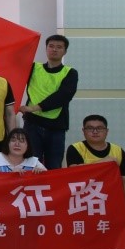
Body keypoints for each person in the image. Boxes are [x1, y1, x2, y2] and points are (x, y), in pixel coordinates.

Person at [67, 114, 125, 224]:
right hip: (83, 202)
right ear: (83, 131)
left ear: (107, 131)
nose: (95, 132)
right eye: (90, 128)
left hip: (110, 201)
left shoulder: (117, 150)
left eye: (99, 128)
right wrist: (104, 162)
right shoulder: (75, 148)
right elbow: (74, 171)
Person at [22, 34, 78, 170]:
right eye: (51, 46)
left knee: (54, 166)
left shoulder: (70, 72)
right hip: (32, 125)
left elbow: (63, 96)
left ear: (65, 51)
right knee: (30, 164)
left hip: (56, 127)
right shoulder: (32, 68)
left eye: (59, 47)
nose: (54, 49)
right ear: (46, 48)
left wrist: (35, 107)